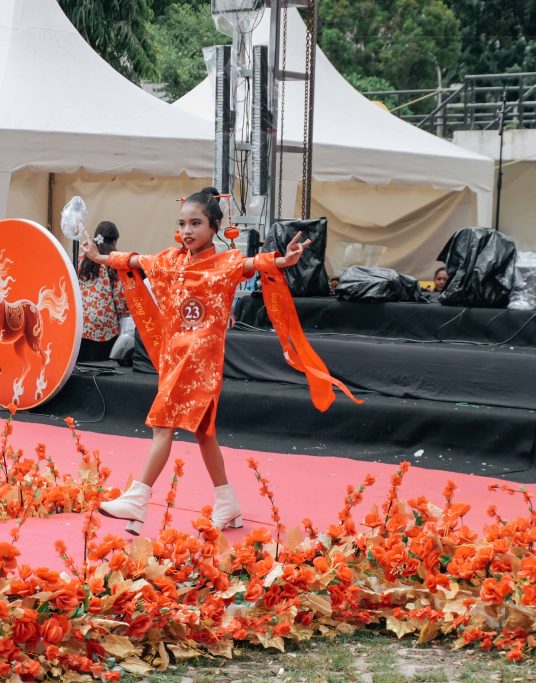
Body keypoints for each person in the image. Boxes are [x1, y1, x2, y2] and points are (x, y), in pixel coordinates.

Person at [82, 187, 359, 535]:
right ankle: (227, 503)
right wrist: (98, 256)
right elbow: (133, 260)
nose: (187, 230)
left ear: (215, 226)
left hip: (200, 363)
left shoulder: (225, 264)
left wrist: (282, 261)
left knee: (163, 424)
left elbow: (255, 263)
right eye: (182, 223)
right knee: (203, 433)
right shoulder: (169, 261)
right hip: (174, 360)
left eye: (196, 223)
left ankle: (138, 498)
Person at [77, 221, 129, 362]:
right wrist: (124, 315)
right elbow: (119, 297)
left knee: (81, 365)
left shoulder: (81, 259)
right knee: (102, 365)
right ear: (114, 241)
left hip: (82, 322)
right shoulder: (113, 261)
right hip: (105, 326)